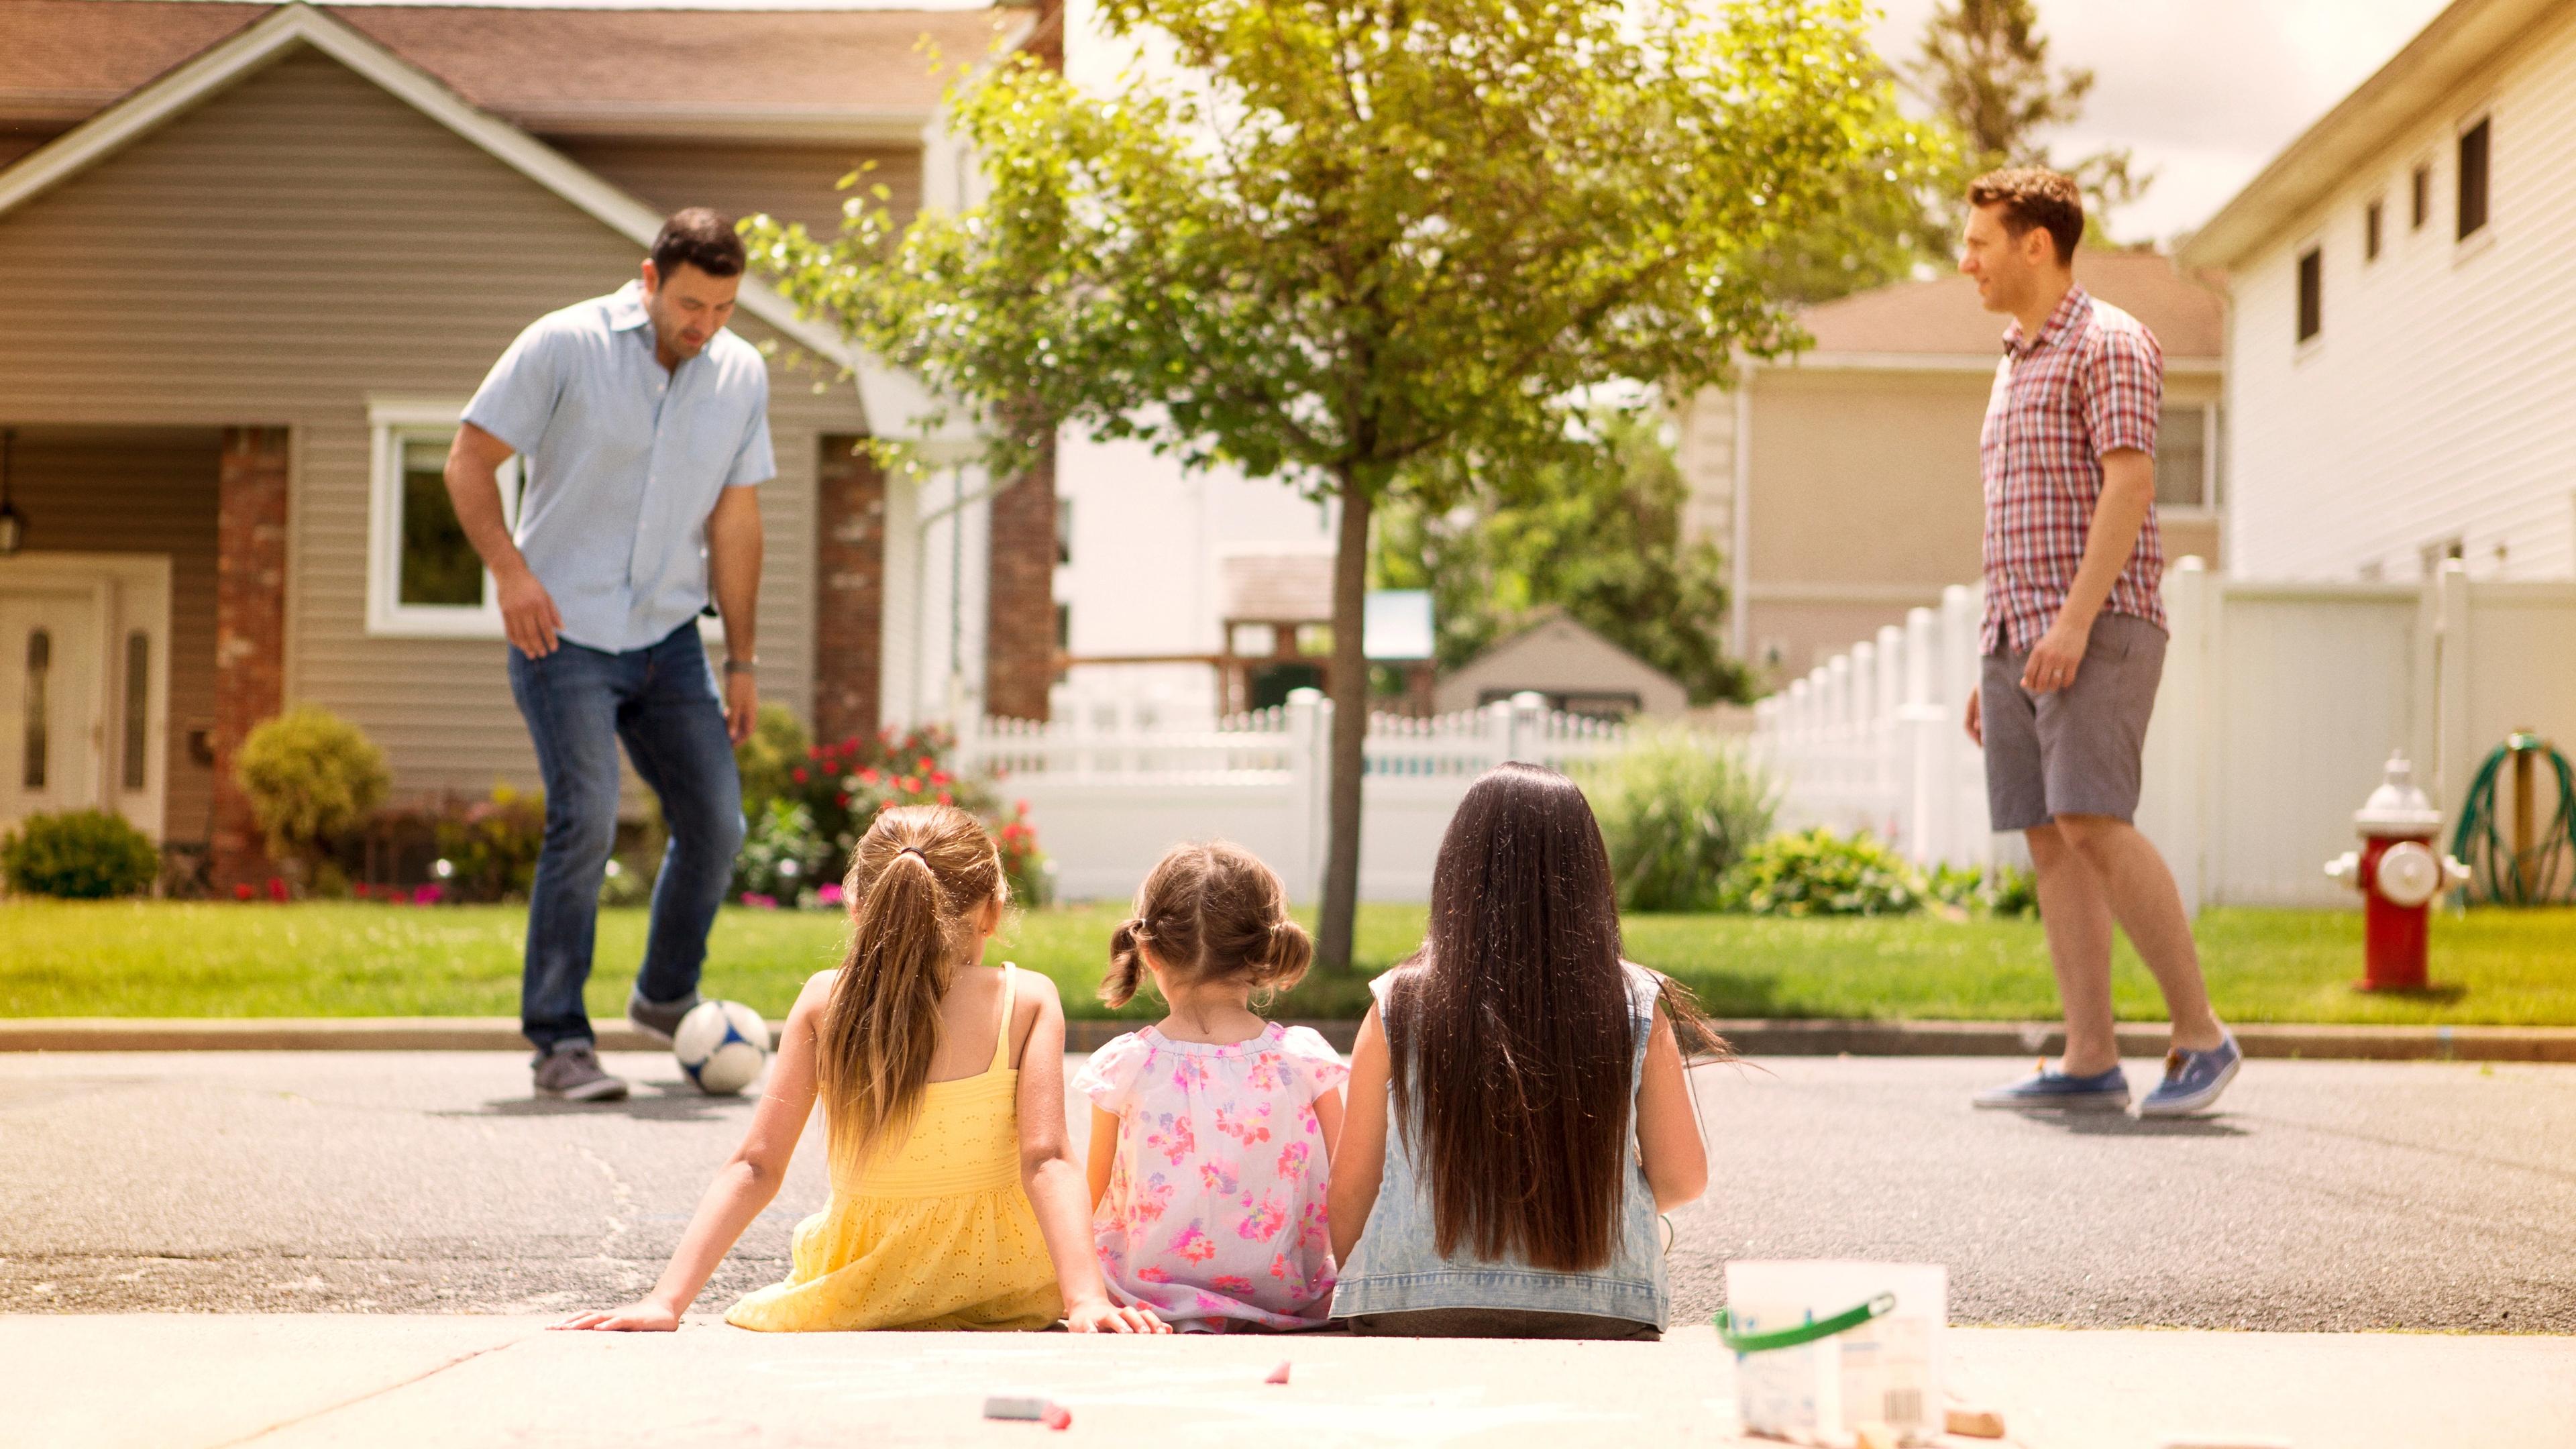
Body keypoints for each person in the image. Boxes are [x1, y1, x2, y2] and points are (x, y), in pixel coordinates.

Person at [556, 804, 1166, 1334]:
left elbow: (756, 1166)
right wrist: (1084, 1298)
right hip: (1005, 1285)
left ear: (857, 907)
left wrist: (666, 1301)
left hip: (863, 1284)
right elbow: (1048, 1160)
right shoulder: (1028, 998)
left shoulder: (827, 999)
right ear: (991, 911)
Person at [447, 209, 772, 1102]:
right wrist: (509, 574)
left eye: (725, 307)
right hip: (562, 632)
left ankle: (667, 997)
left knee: (716, 820)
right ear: (649, 279)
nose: (705, 326)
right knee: (586, 819)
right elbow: (469, 461)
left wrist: (740, 660)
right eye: (691, 304)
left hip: (669, 637)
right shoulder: (565, 344)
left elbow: (736, 519)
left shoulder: (741, 375)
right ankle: (559, 1039)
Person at [1955, 168, 2240, 1117]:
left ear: (2037, 242)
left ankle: (2201, 1035)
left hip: (2097, 622)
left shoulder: (2110, 343)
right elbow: (2014, 511)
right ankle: (2089, 1057)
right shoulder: (2012, 358)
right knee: (2048, 838)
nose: (1968, 263)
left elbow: (2128, 487)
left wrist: (2074, 621)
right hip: (2018, 630)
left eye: (1981, 243)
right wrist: (1990, 647)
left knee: (2092, 821)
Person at [1328, 763, 1717, 1339]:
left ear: (1457, 873)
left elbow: (1352, 1186)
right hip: (1603, 1308)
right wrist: (1579, 1184)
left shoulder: (1397, 1003)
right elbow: (1683, 1177)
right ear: (1589, 878)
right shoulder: (1635, 1002)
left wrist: (1373, 1285)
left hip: (1412, 1301)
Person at [1075, 843, 1348, 1332]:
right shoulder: (1304, 1061)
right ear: (1266, 952)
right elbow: (1350, 1188)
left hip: (1144, 1301)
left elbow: (1087, 1198)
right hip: (1286, 1298)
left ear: (1149, 951)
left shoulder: (1128, 1066)